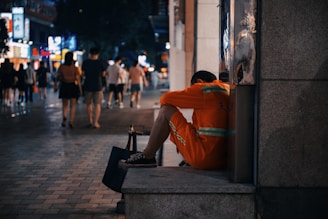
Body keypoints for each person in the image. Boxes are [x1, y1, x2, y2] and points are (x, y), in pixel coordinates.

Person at [121, 70, 230, 170]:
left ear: (199, 82)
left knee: (166, 110)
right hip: (222, 160)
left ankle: (148, 155)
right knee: (189, 127)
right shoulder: (226, 88)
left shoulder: (204, 89)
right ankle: (187, 154)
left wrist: (192, 92)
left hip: (203, 157)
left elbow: (165, 99)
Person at [54, 52, 82, 128]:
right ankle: (71, 121)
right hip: (72, 86)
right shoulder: (74, 68)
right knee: (72, 105)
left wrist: (55, 86)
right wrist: (80, 89)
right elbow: (78, 79)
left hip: (64, 85)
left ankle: (64, 117)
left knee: (65, 104)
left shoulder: (62, 67)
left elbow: (57, 77)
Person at [81, 47, 107, 128]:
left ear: (90, 54)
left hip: (88, 85)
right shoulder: (100, 63)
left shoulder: (85, 62)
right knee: (97, 104)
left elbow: (82, 74)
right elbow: (103, 74)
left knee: (88, 104)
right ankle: (96, 122)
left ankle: (90, 121)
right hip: (97, 85)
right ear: (97, 55)